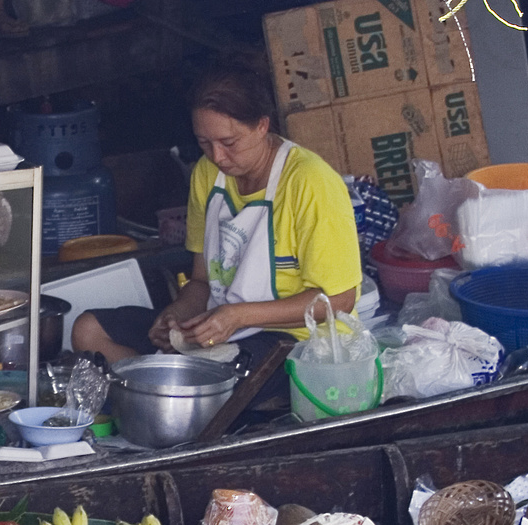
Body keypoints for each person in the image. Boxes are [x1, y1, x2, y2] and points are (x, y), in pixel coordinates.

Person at [70, 64, 360, 370]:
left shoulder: (310, 182)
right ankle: (159, 391)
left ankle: (166, 390)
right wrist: (178, 313)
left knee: (207, 374)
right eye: (205, 144)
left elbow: (340, 301)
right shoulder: (207, 175)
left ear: (262, 126)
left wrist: (239, 316)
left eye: (229, 143)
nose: (218, 157)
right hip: (221, 327)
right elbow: (201, 281)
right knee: (88, 330)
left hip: (299, 342)